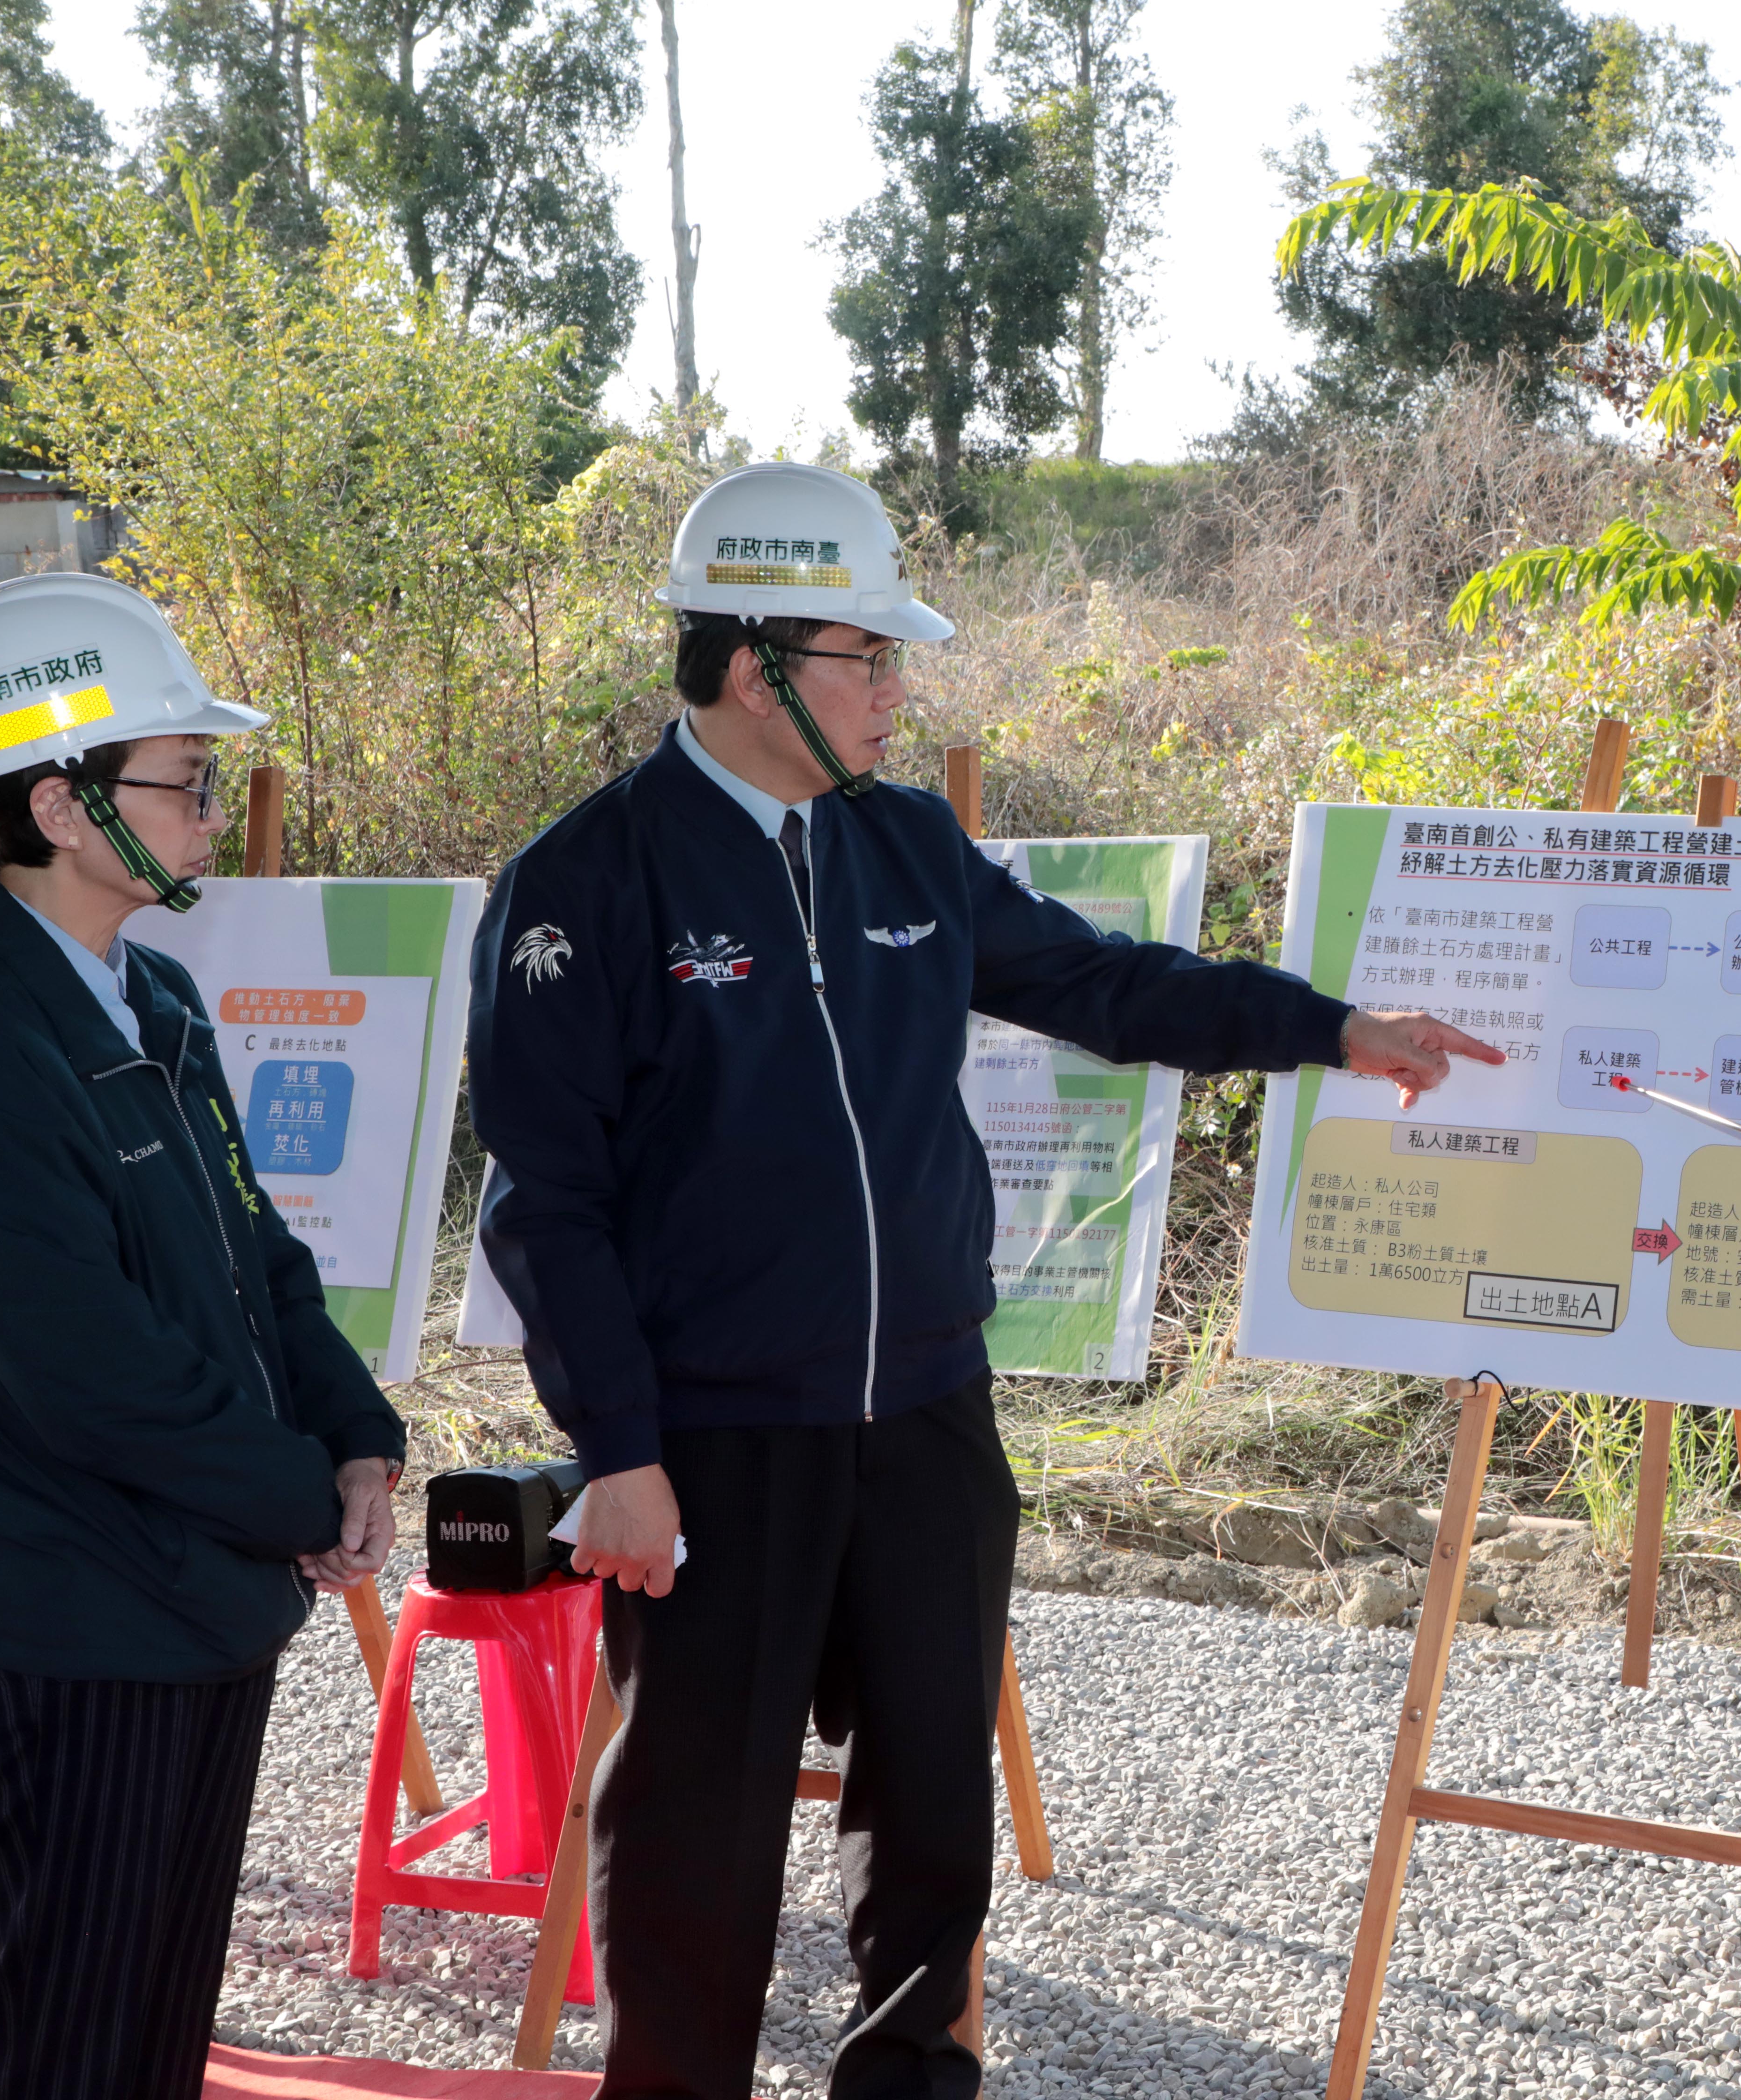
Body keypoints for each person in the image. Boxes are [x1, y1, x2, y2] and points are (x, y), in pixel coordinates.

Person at [467, 460, 1499, 2100]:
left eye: (894, 661)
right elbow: (550, 1204)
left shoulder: (905, 845)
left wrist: (1332, 1029)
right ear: (753, 669)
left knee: (936, 1812)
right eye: (863, 660)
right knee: (695, 1838)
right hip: (717, 1440)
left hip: (929, 1413)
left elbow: (1097, 981)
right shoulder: (588, 884)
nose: (895, 693)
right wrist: (621, 1452)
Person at [0, 572, 408, 2100]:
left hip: (199, 1604)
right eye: (182, 779)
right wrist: (305, 1503)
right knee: (66, 2046)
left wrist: (358, 1440)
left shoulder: (149, 994)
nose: (208, 809)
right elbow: (89, 1376)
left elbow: (255, 1260)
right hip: (70, 1629)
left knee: (151, 2041)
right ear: (59, 800)